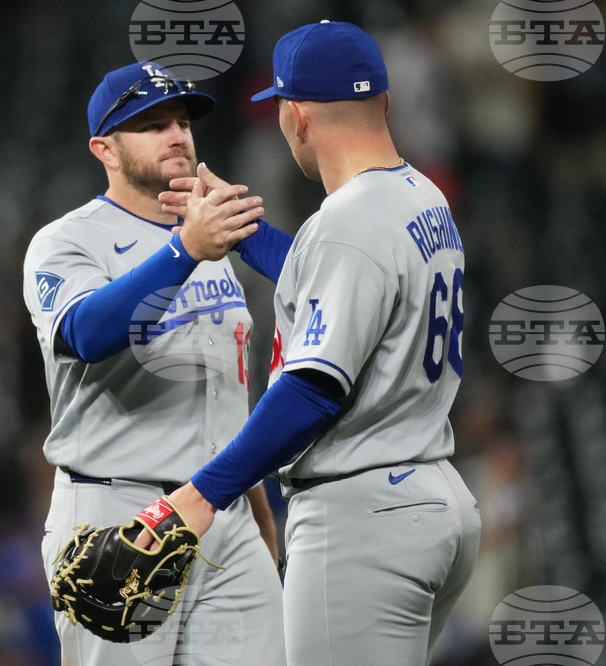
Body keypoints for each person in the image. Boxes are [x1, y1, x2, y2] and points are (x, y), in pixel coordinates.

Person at [138, 22, 482, 665]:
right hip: (435, 498)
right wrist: (242, 229)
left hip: (363, 516)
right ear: (385, 101)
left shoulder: (347, 223)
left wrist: (199, 494)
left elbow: (312, 390)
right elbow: (346, 276)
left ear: (296, 116)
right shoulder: (421, 195)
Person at [22, 61, 287, 665]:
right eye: (151, 124)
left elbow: (225, 391)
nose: (176, 135)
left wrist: (254, 502)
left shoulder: (210, 241)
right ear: (105, 149)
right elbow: (86, 333)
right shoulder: (68, 240)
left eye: (182, 122)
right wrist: (185, 249)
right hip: (118, 515)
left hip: (223, 514)